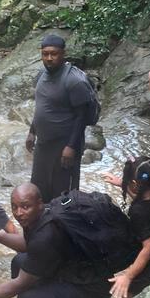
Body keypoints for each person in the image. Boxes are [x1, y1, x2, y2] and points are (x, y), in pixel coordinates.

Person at [26, 34, 93, 202]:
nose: (49, 58)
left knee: (63, 195)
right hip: (43, 145)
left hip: (64, 147)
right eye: (45, 54)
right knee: (39, 192)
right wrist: (32, 132)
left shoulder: (74, 81)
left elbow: (81, 117)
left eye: (54, 54)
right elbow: (41, 106)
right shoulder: (41, 75)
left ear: (63, 54)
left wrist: (71, 147)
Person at [102, 157, 150, 298]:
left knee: (126, 292)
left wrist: (128, 276)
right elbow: (144, 199)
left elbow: (149, 248)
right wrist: (122, 184)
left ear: (134, 184)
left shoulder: (137, 211)